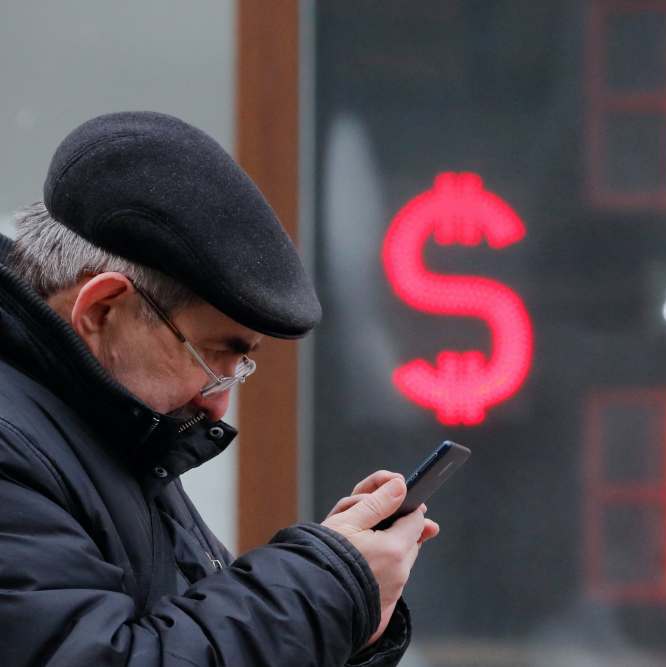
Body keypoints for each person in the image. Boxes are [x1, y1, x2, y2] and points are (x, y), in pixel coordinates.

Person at [0, 111, 437, 666]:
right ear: (104, 309)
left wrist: (353, 611)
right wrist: (326, 585)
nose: (218, 400)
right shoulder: (19, 444)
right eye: (213, 354)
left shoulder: (102, 426)